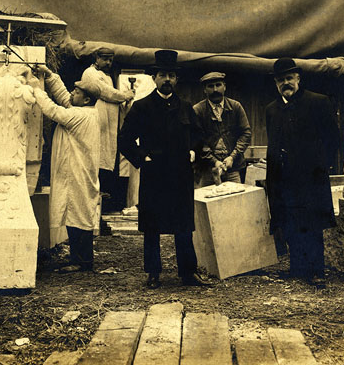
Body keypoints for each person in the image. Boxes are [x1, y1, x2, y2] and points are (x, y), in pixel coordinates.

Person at [118, 50, 210, 288]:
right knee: (152, 225)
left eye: (171, 75)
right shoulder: (141, 107)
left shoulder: (186, 108)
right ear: (154, 78)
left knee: (183, 225)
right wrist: (142, 158)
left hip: (180, 174)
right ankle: (153, 273)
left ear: (176, 79)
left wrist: (192, 150)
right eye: (162, 75)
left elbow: (199, 135)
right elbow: (124, 140)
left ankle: (188, 273)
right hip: (155, 174)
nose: (167, 79)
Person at [265, 58, 339, 287]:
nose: (285, 83)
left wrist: (322, 165)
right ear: (276, 84)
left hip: (311, 176)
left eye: (289, 78)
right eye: (280, 80)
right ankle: (297, 267)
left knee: (312, 223)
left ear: (298, 78)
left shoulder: (318, 102)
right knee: (289, 221)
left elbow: (332, 138)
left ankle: (317, 271)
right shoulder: (272, 109)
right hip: (283, 176)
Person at [30, 65, 102, 272]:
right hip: (75, 170)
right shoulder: (82, 110)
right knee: (75, 213)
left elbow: (53, 110)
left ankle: (83, 261)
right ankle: (77, 259)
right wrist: (50, 76)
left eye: (77, 92)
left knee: (79, 214)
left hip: (78, 172)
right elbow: (64, 98)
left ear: (86, 99)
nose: (72, 93)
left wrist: (36, 88)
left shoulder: (82, 115)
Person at [81, 47, 135, 210]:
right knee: (96, 158)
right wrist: (124, 95)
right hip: (96, 123)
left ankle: (104, 204)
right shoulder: (89, 74)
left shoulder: (108, 77)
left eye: (110, 60)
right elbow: (104, 92)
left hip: (109, 127)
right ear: (96, 58)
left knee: (106, 160)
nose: (108, 63)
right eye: (105, 59)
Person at [192, 72, 251, 186]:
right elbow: (198, 140)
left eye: (218, 85)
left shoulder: (236, 107)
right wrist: (214, 161)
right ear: (204, 90)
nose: (215, 89)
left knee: (235, 200)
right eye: (210, 86)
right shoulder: (197, 110)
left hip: (233, 168)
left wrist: (232, 157)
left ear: (224, 86)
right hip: (207, 170)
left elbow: (246, 133)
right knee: (207, 201)